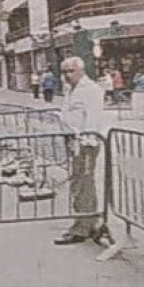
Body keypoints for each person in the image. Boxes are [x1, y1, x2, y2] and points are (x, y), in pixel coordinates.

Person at [54, 57, 107, 246]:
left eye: (70, 71)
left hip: (85, 142)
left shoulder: (91, 90)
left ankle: (82, 227)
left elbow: (92, 117)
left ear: (81, 70)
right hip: (73, 140)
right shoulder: (70, 89)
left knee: (83, 182)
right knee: (80, 182)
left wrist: (85, 141)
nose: (67, 76)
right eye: (64, 72)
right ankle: (90, 221)